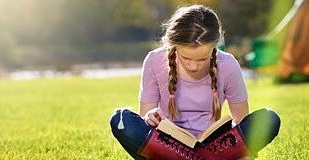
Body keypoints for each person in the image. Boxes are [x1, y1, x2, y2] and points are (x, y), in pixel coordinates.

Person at [110, 4, 280, 160]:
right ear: (173, 44)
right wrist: (149, 118)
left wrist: (243, 151)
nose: (193, 66)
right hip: (166, 145)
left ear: (215, 46)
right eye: (185, 57)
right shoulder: (154, 61)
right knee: (121, 120)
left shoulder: (227, 64)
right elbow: (145, 118)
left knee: (269, 119)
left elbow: (241, 124)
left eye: (201, 59)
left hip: (215, 146)